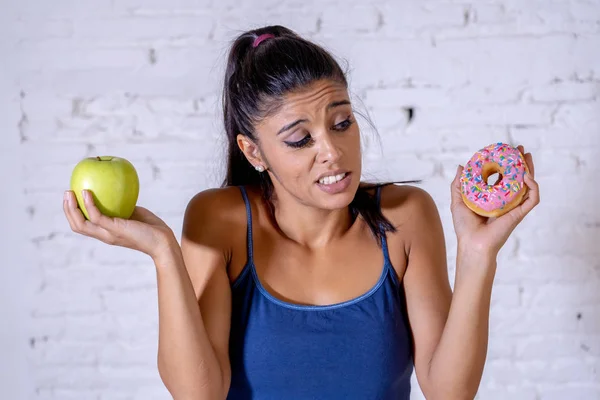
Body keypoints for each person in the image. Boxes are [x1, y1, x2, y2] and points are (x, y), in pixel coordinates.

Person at [63, 25, 540, 399]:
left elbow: (449, 393)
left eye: (342, 123)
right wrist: (164, 253)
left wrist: (478, 256)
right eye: (299, 139)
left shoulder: (406, 216)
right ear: (254, 151)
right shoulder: (220, 220)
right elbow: (198, 394)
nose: (332, 151)